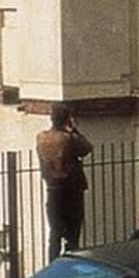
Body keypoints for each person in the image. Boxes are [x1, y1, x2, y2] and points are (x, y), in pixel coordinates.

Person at [36, 104, 93, 262]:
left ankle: (52, 265)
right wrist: (74, 129)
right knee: (73, 235)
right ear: (67, 119)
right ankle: (70, 263)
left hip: (52, 189)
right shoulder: (68, 138)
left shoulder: (41, 137)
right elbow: (87, 148)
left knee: (55, 233)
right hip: (71, 189)